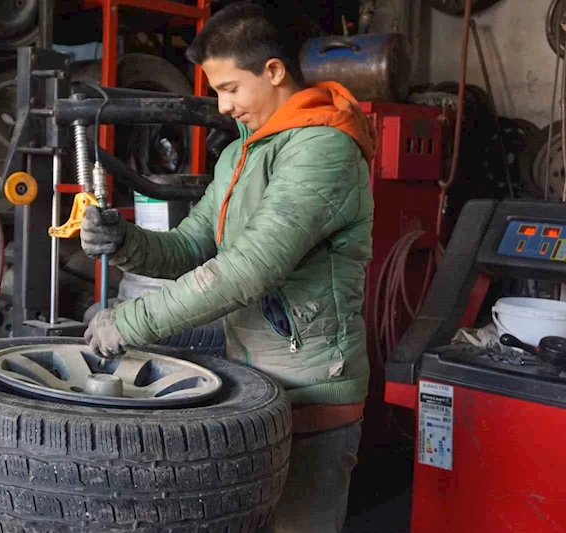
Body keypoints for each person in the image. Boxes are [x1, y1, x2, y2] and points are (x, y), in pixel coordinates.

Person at [81, 3, 377, 532]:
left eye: (231, 88)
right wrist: (124, 241)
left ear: (274, 71)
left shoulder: (323, 148)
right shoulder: (243, 153)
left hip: (313, 392)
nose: (223, 105)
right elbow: (192, 245)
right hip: (255, 388)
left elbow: (249, 269)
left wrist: (128, 322)